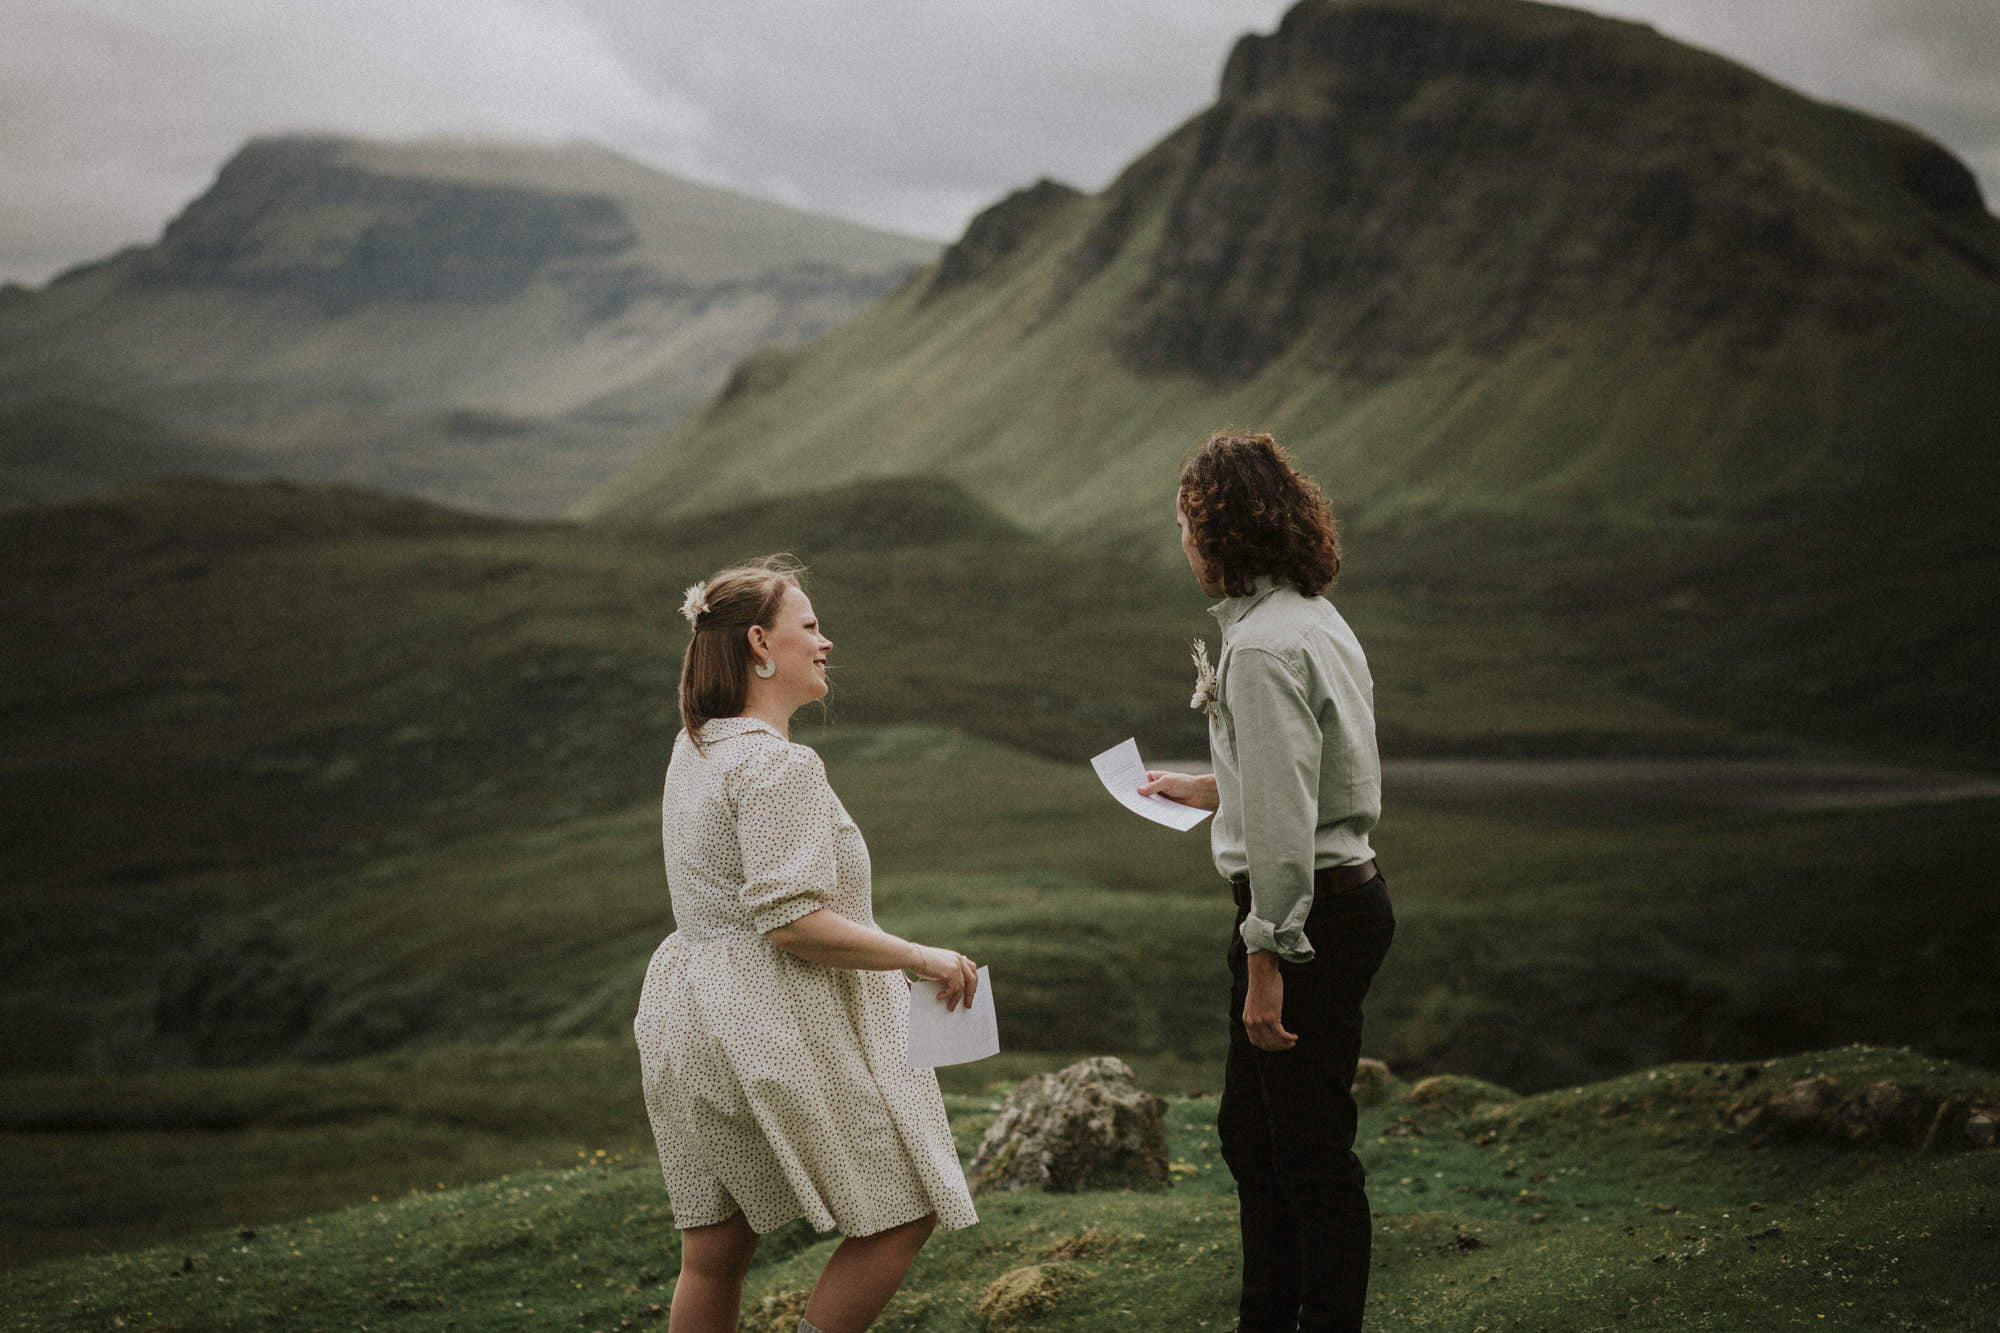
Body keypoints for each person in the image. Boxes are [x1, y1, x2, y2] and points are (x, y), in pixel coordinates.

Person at [633, 555, 981, 1333]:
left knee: (715, 1251)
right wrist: (918, 955)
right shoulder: (778, 764)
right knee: (904, 1209)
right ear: (760, 643)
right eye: (811, 627)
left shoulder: (696, 748)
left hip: (691, 1015)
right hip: (769, 1023)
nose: (826, 643)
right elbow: (790, 923)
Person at [1140, 433, 1395, 1333]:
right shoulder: (1311, 617)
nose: (1180, 538)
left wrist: (1266, 955)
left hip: (1300, 912)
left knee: (1310, 1152)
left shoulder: (1258, 649)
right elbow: (1308, 770)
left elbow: (1286, 824)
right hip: (1341, 896)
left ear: (1217, 528)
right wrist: (1209, 786)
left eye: (1185, 520)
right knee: (1253, 1136)